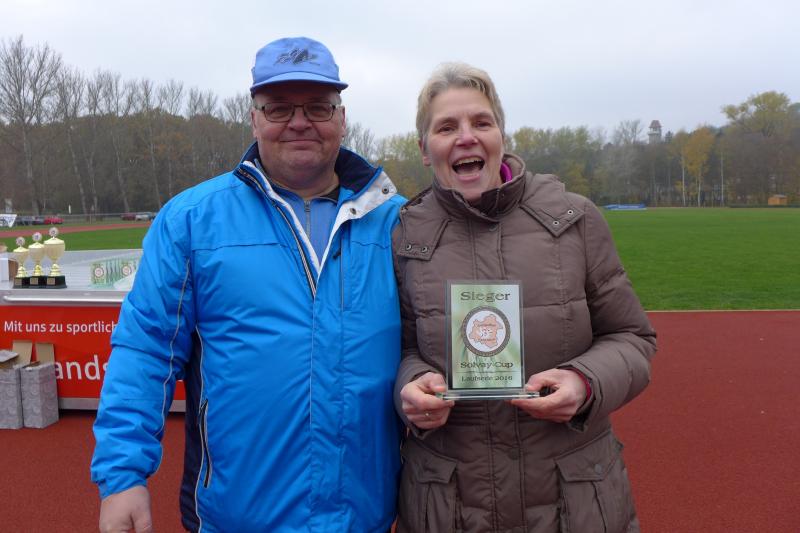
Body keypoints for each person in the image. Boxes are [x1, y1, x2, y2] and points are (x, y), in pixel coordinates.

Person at [91, 37, 405, 532]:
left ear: (342, 118)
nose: (299, 122)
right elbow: (145, 349)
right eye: (279, 107)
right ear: (254, 118)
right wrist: (123, 474)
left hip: (364, 516)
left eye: (318, 106)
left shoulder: (398, 222)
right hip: (235, 516)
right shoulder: (192, 219)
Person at [393, 62, 657, 532]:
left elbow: (633, 338)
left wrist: (585, 382)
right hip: (449, 501)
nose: (466, 137)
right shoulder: (403, 235)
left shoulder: (575, 218)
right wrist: (410, 387)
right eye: (447, 127)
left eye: (481, 122)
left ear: (501, 135)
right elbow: (399, 348)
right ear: (424, 149)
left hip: (573, 497)